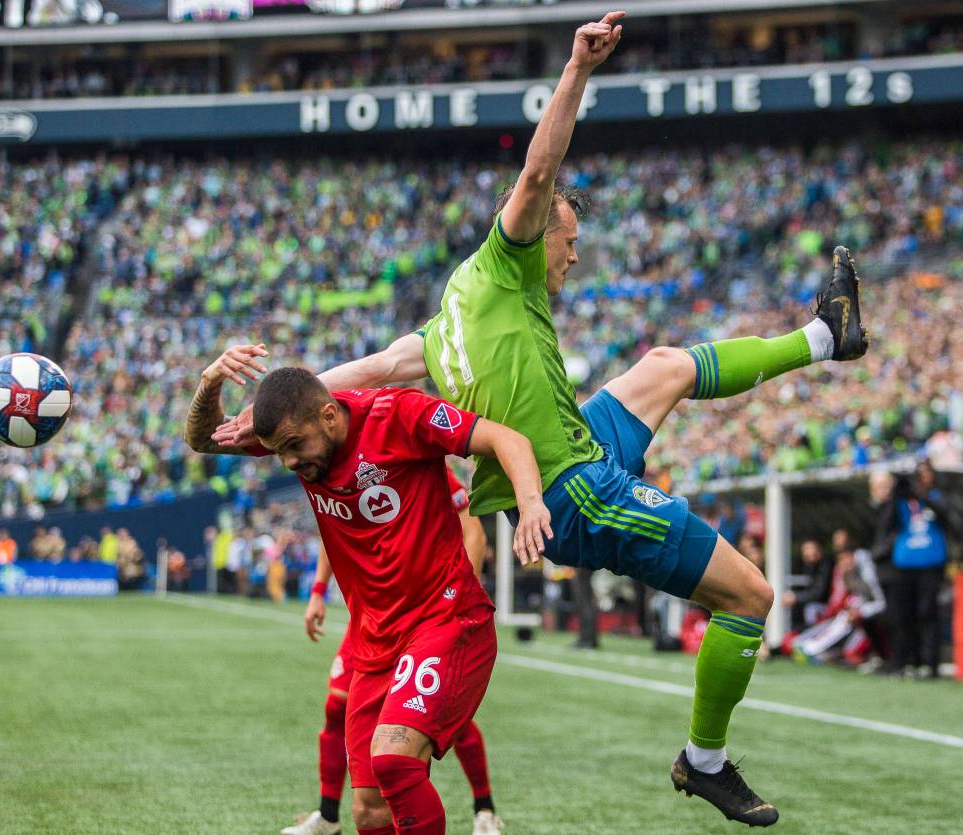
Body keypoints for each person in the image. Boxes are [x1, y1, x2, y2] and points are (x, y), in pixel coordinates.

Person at [212, 15, 869, 827]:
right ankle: (704, 760)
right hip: (568, 487)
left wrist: (258, 409)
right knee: (750, 594)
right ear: (535, 234)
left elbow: (359, 376)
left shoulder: (445, 319)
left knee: (663, 365)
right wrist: (577, 69)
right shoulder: (507, 259)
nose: (575, 254)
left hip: (579, 442)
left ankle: (822, 336)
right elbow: (536, 173)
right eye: (570, 239)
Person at [186, 347, 550, 835]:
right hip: (374, 641)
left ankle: (484, 806)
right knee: (368, 811)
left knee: (394, 760)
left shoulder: (399, 415)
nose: (290, 462)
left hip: (445, 620)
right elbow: (204, 440)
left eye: (295, 446)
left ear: (330, 414)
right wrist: (210, 382)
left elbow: (505, 438)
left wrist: (530, 505)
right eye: (280, 453)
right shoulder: (296, 435)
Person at [283, 465, 502, 835]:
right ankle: (328, 815)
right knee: (338, 708)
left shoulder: (406, 457)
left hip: (425, 617)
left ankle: (484, 808)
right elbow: (332, 533)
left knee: (431, 724)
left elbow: (472, 527)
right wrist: (318, 591)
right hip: (369, 620)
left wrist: (458, 597)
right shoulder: (329, 468)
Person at [877, 461, 952, 678]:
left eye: (923, 474)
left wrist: (921, 493)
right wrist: (897, 491)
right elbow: (885, 524)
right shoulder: (900, 501)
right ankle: (907, 661)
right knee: (903, 615)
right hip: (904, 566)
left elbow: (948, 517)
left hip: (931, 564)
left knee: (928, 613)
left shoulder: (937, 496)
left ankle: (931, 665)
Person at [780, 539, 833, 631]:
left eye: (811, 549)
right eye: (805, 550)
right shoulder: (805, 566)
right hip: (808, 605)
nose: (808, 553)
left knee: (810, 609)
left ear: (819, 551)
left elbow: (819, 593)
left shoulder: (826, 566)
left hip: (825, 605)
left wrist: (796, 597)